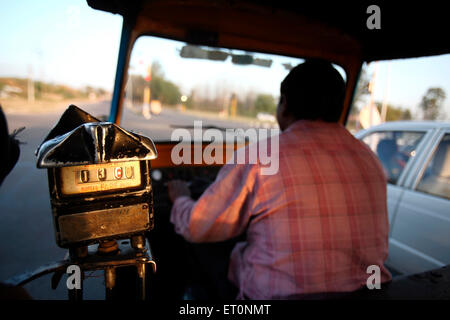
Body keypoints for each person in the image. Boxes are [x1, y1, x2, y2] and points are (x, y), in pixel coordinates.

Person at [167, 60, 392, 299]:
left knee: (203, 251)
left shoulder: (261, 158)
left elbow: (197, 227)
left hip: (274, 298)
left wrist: (181, 197)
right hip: (368, 293)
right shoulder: (370, 159)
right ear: (339, 107)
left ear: (284, 105)